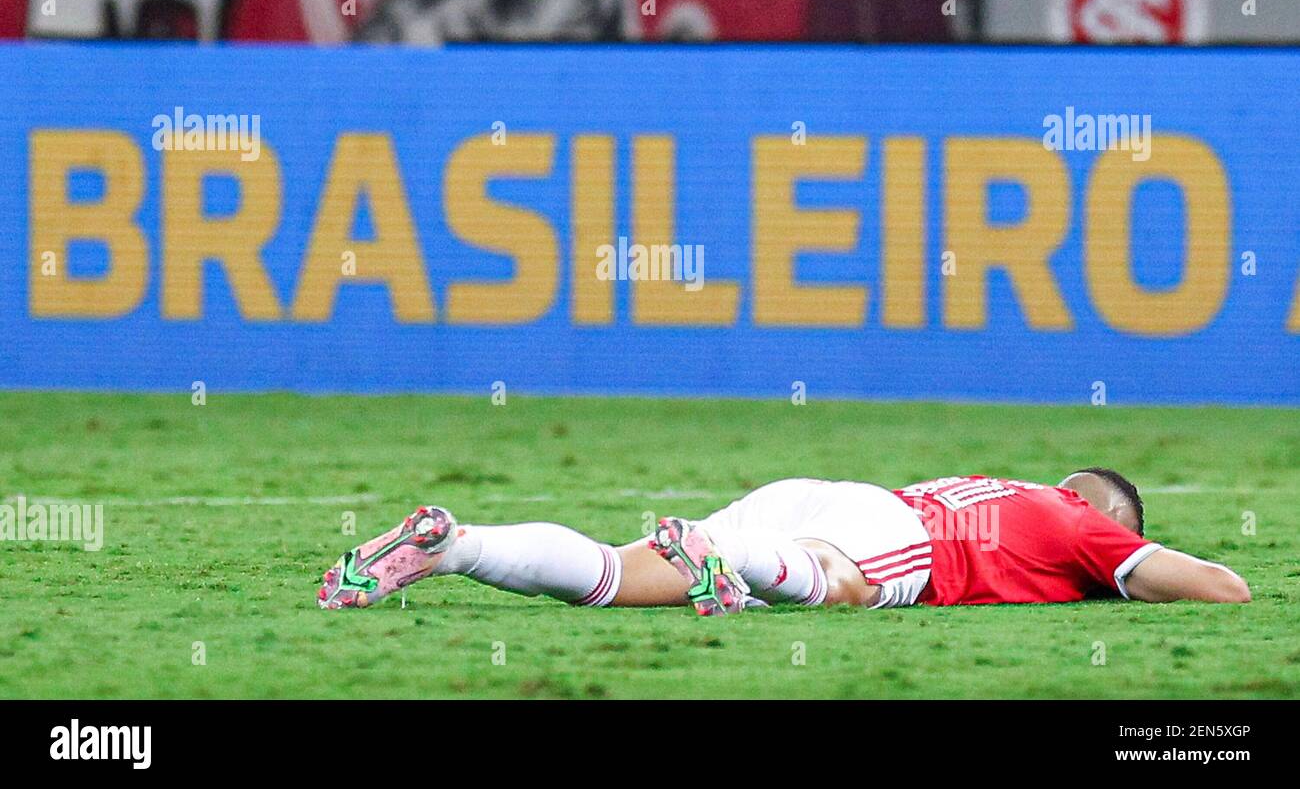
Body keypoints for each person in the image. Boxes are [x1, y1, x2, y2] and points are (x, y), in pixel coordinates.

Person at [317, 468, 1250, 613]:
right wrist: (1123, 569)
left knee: (613, 575)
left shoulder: (1000, 484)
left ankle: (456, 546)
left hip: (818, 493)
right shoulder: (1082, 525)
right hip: (893, 537)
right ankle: (727, 563)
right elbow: (1219, 587)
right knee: (839, 588)